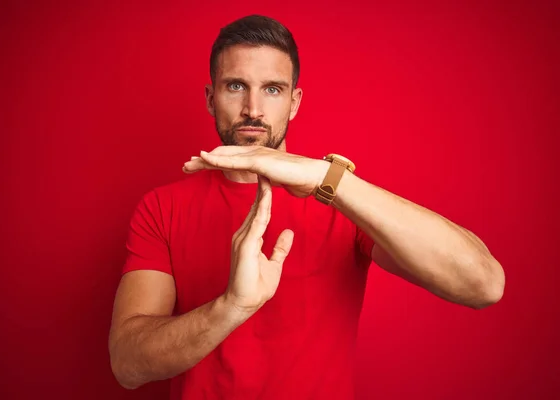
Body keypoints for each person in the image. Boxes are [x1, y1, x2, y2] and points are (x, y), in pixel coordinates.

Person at [108, 14, 505, 399]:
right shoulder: (161, 207)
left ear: (295, 102)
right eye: (235, 87)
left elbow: (483, 285)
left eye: (273, 89)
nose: (253, 109)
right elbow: (127, 365)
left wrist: (328, 179)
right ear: (211, 99)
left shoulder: (343, 200)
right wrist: (231, 307)